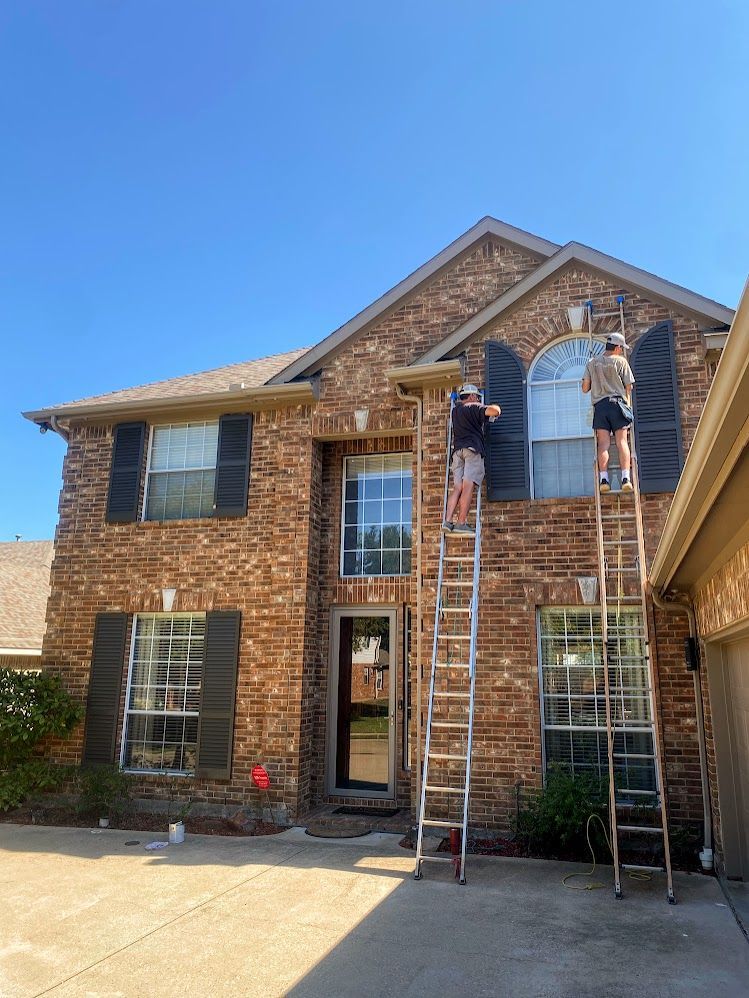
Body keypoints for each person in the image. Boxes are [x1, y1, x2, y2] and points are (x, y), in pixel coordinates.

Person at [581, 332, 635, 492]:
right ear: (617, 347)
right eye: (621, 348)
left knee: (603, 444)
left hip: (600, 407)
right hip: (618, 404)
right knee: (622, 442)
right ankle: (626, 478)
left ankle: (603, 480)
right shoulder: (621, 361)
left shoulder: (592, 363)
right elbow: (629, 387)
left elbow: (584, 389)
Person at [443, 384, 501, 533]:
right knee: (468, 486)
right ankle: (461, 522)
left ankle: (448, 521)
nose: (477, 399)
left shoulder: (455, 412)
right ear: (472, 396)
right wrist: (491, 407)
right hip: (472, 450)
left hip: (457, 453)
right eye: (476, 397)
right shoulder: (474, 406)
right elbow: (494, 411)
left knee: (458, 488)